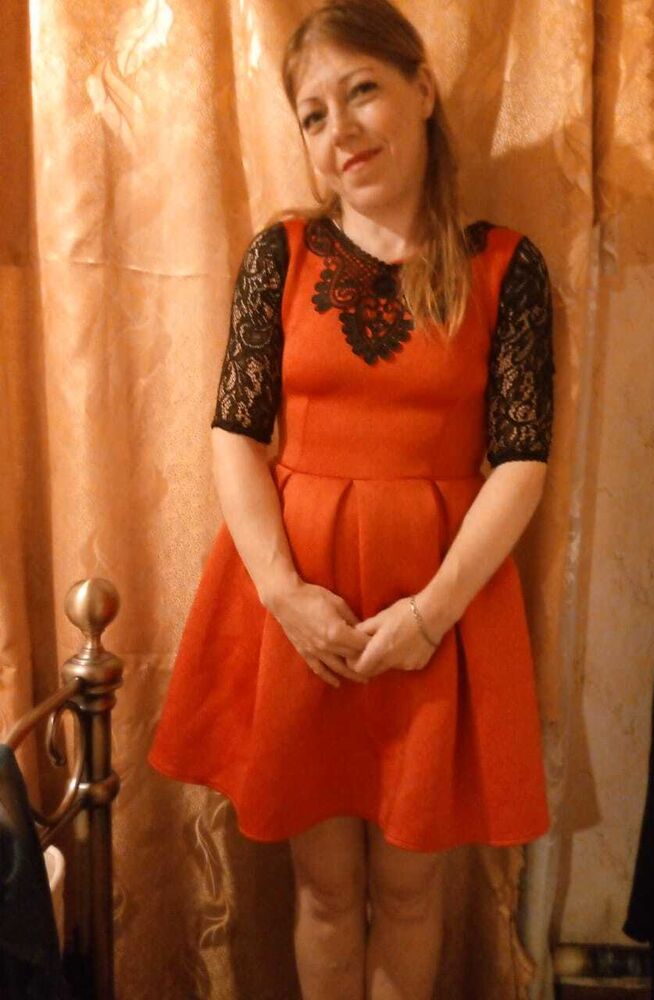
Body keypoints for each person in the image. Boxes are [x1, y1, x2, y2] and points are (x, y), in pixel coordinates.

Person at [148, 1, 555, 997]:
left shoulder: (506, 266)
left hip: (437, 613)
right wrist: (284, 596)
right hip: (304, 614)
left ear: (423, 89)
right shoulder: (279, 256)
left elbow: (521, 461)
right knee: (325, 892)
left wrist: (430, 615)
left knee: (412, 894)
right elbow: (234, 436)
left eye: (362, 90)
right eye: (314, 114)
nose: (342, 129)